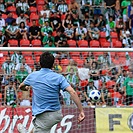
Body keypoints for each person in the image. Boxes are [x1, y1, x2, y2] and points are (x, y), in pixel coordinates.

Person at [18, 52, 85, 133]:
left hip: (44, 114)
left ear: (40, 63)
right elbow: (72, 92)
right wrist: (81, 110)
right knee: (38, 128)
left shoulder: (33, 76)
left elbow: (21, 86)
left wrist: (26, 88)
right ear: (53, 64)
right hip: (56, 114)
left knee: (41, 127)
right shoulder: (59, 77)